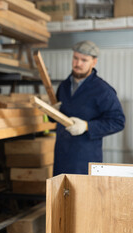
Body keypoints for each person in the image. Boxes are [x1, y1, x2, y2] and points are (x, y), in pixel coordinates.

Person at [53, 40, 125, 176]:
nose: (78, 64)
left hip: (85, 159)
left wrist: (87, 126)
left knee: (83, 196)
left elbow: (118, 121)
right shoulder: (63, 86)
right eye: (75, 58)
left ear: (94, 62)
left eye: (84, 60)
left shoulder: (103, 90)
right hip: (61, 155)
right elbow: (59, 118)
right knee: (60, 195)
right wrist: (51, 113)